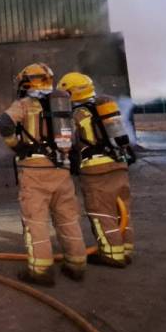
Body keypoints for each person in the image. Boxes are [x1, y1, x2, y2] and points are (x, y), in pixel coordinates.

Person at [0, 63, 87, 286]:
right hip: (61, 170)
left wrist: (17, 147)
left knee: (35, 220)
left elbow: (5, 123)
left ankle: (41, 272)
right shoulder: (63, 105)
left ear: (28, 82)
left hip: (35, 170)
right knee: (68, 218)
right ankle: (76, 265)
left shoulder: (25, 104)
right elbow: (75, 139)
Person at [58, 72, 137, 267]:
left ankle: (111, 254)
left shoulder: (75, 115)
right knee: (122, 209)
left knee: (101, 212)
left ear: (71, 92)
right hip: (119, 163)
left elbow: (66, 143)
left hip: (95, 169)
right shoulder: (104, 108)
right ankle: (126, 248)